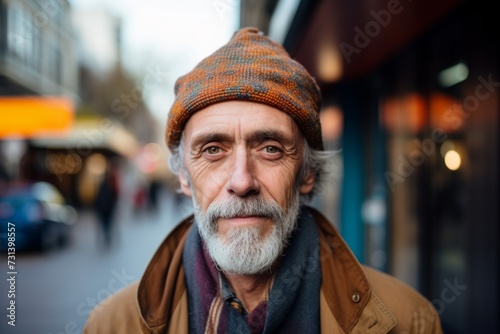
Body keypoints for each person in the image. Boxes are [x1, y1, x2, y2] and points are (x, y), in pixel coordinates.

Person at [83, 27, 443, 333]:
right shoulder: (114, 324)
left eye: (270, 148)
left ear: (307, 173)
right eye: (212, 150)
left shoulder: (410, 321)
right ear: (184, 178)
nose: (242, 181)